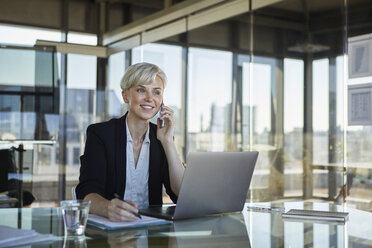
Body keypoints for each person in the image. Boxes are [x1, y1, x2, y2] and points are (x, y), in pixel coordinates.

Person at [76, 62, 185, 222]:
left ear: (161, 101)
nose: (149, 98)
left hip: (151, 231)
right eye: (141, 90)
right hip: (110, 231)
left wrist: (168, 142)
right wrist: (108, 208)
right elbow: (86, 192)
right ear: (126, 96)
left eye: (156, 92)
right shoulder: (101, 134)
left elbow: (181, 194)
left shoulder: (161, 138)